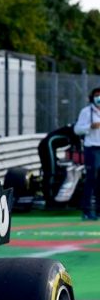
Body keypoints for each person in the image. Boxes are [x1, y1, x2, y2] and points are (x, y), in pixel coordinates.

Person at [37, 124, 82, 206]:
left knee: (56, 168)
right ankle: (50, 198)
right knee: (51, 171)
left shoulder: (77, 130)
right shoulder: (76, 129)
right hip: (47, 145)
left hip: (50, 145)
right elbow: (50, 140)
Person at [74, 86, 100, 220]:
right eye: (97, 95)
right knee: (91, 180)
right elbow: (77, 130)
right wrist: (90, 127)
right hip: (92, 149)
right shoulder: (86, 112)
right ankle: (86, 210)